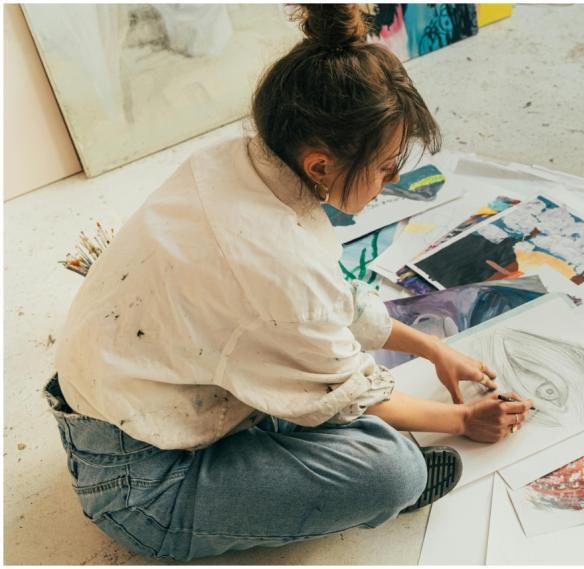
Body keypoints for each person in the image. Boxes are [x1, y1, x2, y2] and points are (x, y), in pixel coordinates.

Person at [46, 4, 533, 562]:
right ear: (320, 165)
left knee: (326, 397)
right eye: (386, 167)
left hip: (135, 405)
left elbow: (332, 300)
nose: (393, 181)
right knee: (393, 471)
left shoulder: (234, 163)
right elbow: (347, 380)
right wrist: (463, 420)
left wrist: (431, 347)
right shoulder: (273, 266)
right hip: (143, 486)